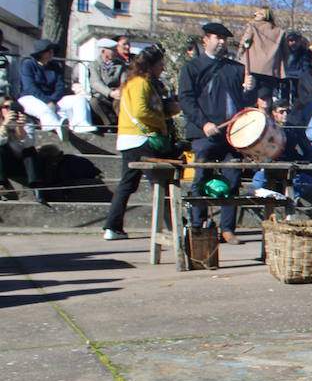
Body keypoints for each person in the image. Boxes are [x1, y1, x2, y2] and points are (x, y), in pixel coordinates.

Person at [178, 22, 248, 244]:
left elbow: (245, 103)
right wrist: (203, 123)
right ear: (205, 40)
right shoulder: (192, 67)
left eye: (224, 39)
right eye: (216, 38)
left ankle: (227, 228)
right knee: (201, 177)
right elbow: (186, 100)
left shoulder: (236, 69)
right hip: (204, 133)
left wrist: (250, 87)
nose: (221, 42)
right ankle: (197, 226)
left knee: (233, 177)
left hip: (231, 134)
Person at [103, 45, 176, 239]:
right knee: (160, 184)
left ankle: (113, 226)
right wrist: (161, 122)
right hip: (140, 139)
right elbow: (141, 112)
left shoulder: (138, 83)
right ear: (150, 66)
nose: (162, 69)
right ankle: (176, 225)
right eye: (160, 65)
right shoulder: (139, 84)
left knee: (128, 184)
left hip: (132, 140)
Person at [18, 39, 97, 134]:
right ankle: (55, 129)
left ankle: (80, 125)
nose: (52, 53)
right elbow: (30, 87)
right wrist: (47, 101)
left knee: (79, 100)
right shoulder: (28, 64)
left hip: (53, 99)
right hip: (31, 98)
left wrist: (53, 100)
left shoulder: (55, 66)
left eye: (52, 51)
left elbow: (60, 86)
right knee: (45, 110)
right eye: (49, 51)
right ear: (41, 53)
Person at [239, 8, 288, 108]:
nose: (254, 15)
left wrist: (239, 56)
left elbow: (244, 43)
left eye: (256, 13)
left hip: (252, 68)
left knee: (249, 99)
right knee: (265, 100)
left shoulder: (252, 26)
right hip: (271, 71)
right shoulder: (280, 32)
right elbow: (285, 53)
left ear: (263, 15)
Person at [1, 99, 45, 202]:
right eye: (6, 107)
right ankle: (1, 187)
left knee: (30, 151)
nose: (9, 110)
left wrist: (20, 128)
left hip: (22, 164)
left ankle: (37, 189)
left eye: (13, 107)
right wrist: (4, 126)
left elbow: (28, 145)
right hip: (4, 164)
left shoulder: (27, 123)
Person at [89, 37, 126, 128]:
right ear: (103, 51)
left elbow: (124, 81)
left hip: (117, 94)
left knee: (119, 101)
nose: (116, 52)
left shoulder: (121, 65)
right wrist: (110, 93)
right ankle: (110, 125)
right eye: (113, 50)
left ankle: (123, 125)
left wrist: (119, 91)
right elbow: (95, 82)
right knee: (94, 102)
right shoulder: (94, 65)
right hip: (102, 95)